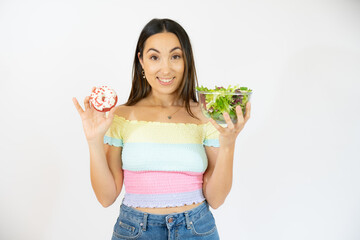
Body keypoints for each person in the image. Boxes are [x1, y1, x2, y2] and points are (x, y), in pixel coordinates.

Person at [73, 18, 251, 240]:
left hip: (196, 230)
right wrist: (93, 141)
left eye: (175, 56)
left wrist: (228, 145)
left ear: (186, 60)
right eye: (154, 57)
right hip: (135, 230)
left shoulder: (205, 115)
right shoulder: (121, 116)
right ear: (141, 61)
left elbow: (216, 199)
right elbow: (105, 197)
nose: (165, 68)